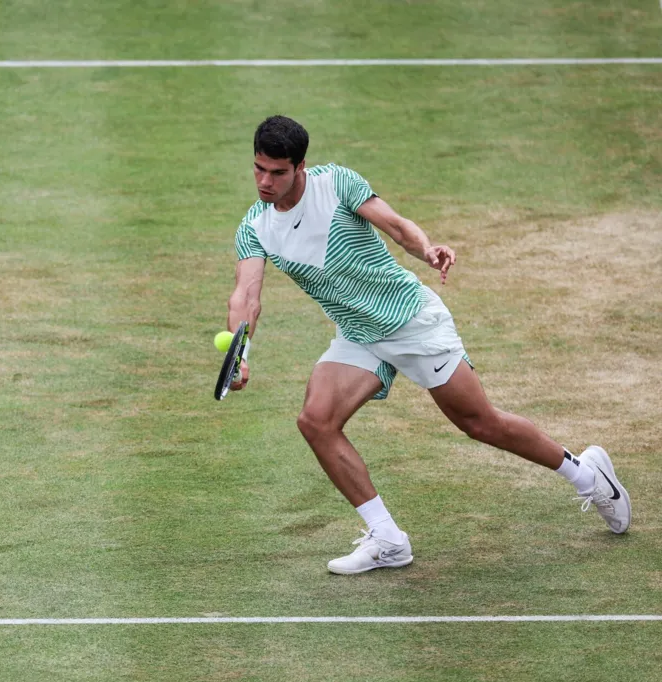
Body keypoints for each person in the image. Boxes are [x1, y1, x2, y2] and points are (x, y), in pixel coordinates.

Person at [226, 115, 630, 575]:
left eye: (277, 172)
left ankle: (589, 477)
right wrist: (239, 353)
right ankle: (388, 538)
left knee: (481, 424)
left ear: (301, 166)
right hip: (359, 333)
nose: (265, 181)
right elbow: (245, 296)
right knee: (316, 421)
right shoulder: (255, 227)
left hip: (410, 320)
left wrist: (428, 249)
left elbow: (397, 226)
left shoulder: (336, 183)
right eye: (259, 169)